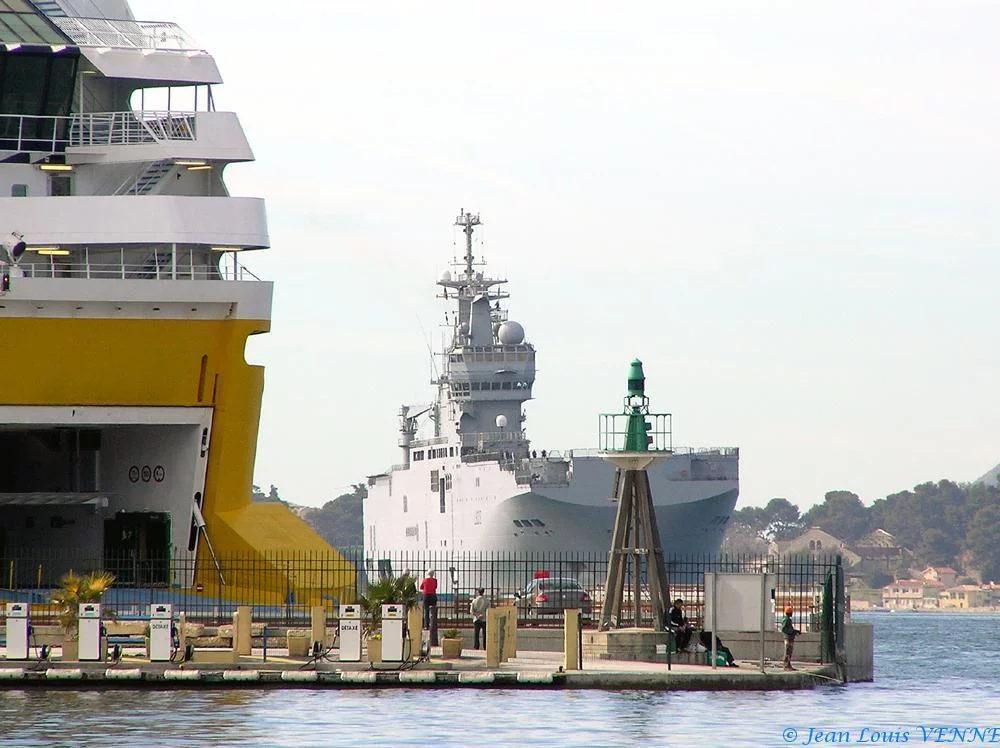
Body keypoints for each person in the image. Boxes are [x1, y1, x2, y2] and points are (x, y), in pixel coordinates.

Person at [781, 605, 800, 671]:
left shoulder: (788, 619)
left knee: (789, 652)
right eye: (791, 612)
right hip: (788, 638)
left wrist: (795, 631)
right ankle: (786, 666)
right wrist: (793, 632)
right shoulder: (786, 620)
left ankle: (788, 665)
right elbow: (784, 629)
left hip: (790, 638)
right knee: (787, 652)